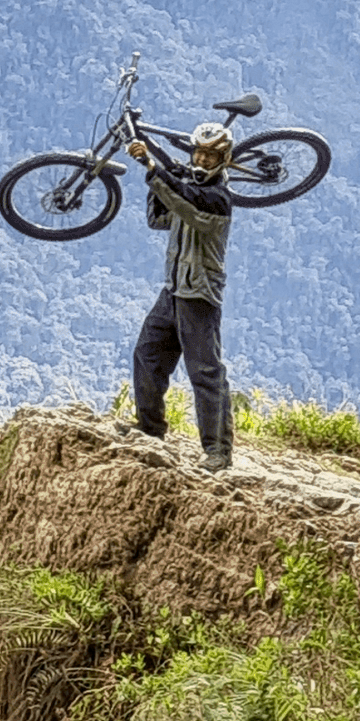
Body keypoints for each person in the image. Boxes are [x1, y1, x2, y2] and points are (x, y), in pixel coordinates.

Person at [126, 120, 235, 473]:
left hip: (199, 294)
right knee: (147, 355)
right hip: (173, 289)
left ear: (223, 159)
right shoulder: (188, 186)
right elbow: (160, 219)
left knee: (205, 372)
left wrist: (154, 168)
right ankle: (149, 428)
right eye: (198, 153)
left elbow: (191, 208)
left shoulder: (217, 199)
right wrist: (158, 176)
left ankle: (218, 451)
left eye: (210, 155)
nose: (202, 160)